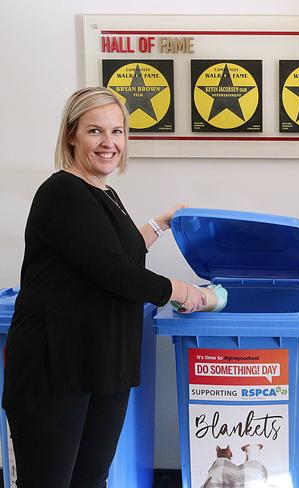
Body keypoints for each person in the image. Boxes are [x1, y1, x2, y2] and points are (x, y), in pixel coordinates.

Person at [2, 87, 210, 488]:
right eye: (95, 131)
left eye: (118, 132)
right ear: (71, 136)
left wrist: (160, 224)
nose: (109, 143)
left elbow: (116, 253)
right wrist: (185, 292)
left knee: (91, 479)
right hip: (56, 368)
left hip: (102, 363)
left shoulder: (103, 193)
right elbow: (115, 272)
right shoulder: (62, 192)